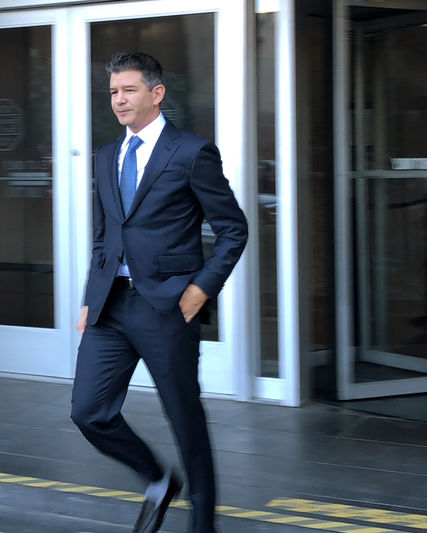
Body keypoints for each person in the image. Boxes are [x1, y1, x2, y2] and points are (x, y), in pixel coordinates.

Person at [70, 52, 248, 533]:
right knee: (89, 412)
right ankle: (156, 480)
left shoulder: (191, 152)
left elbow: (234, 229)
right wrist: (91, 296)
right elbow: (105, 234)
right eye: (112, 93)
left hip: (167, 306)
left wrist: (200, 291)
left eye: (128, 90)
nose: (119, 100)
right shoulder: (107, 155)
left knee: (185, 420)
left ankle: (202, 525)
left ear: (157, 93)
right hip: (111, 306)